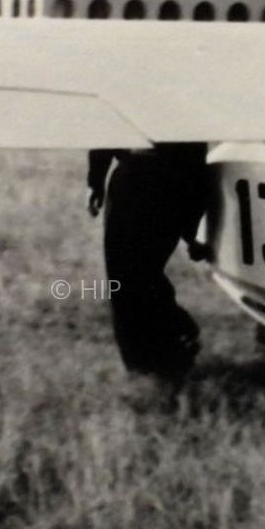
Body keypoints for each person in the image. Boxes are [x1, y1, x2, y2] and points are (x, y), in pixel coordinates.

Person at [87, 143, 212, 382]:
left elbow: (109, 131)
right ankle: (171, 345)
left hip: (141, 179)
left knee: (127, 278)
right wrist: (192, 229)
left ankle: (156, 358)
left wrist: (96, 179)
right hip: (176, 178)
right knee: (142, 274)